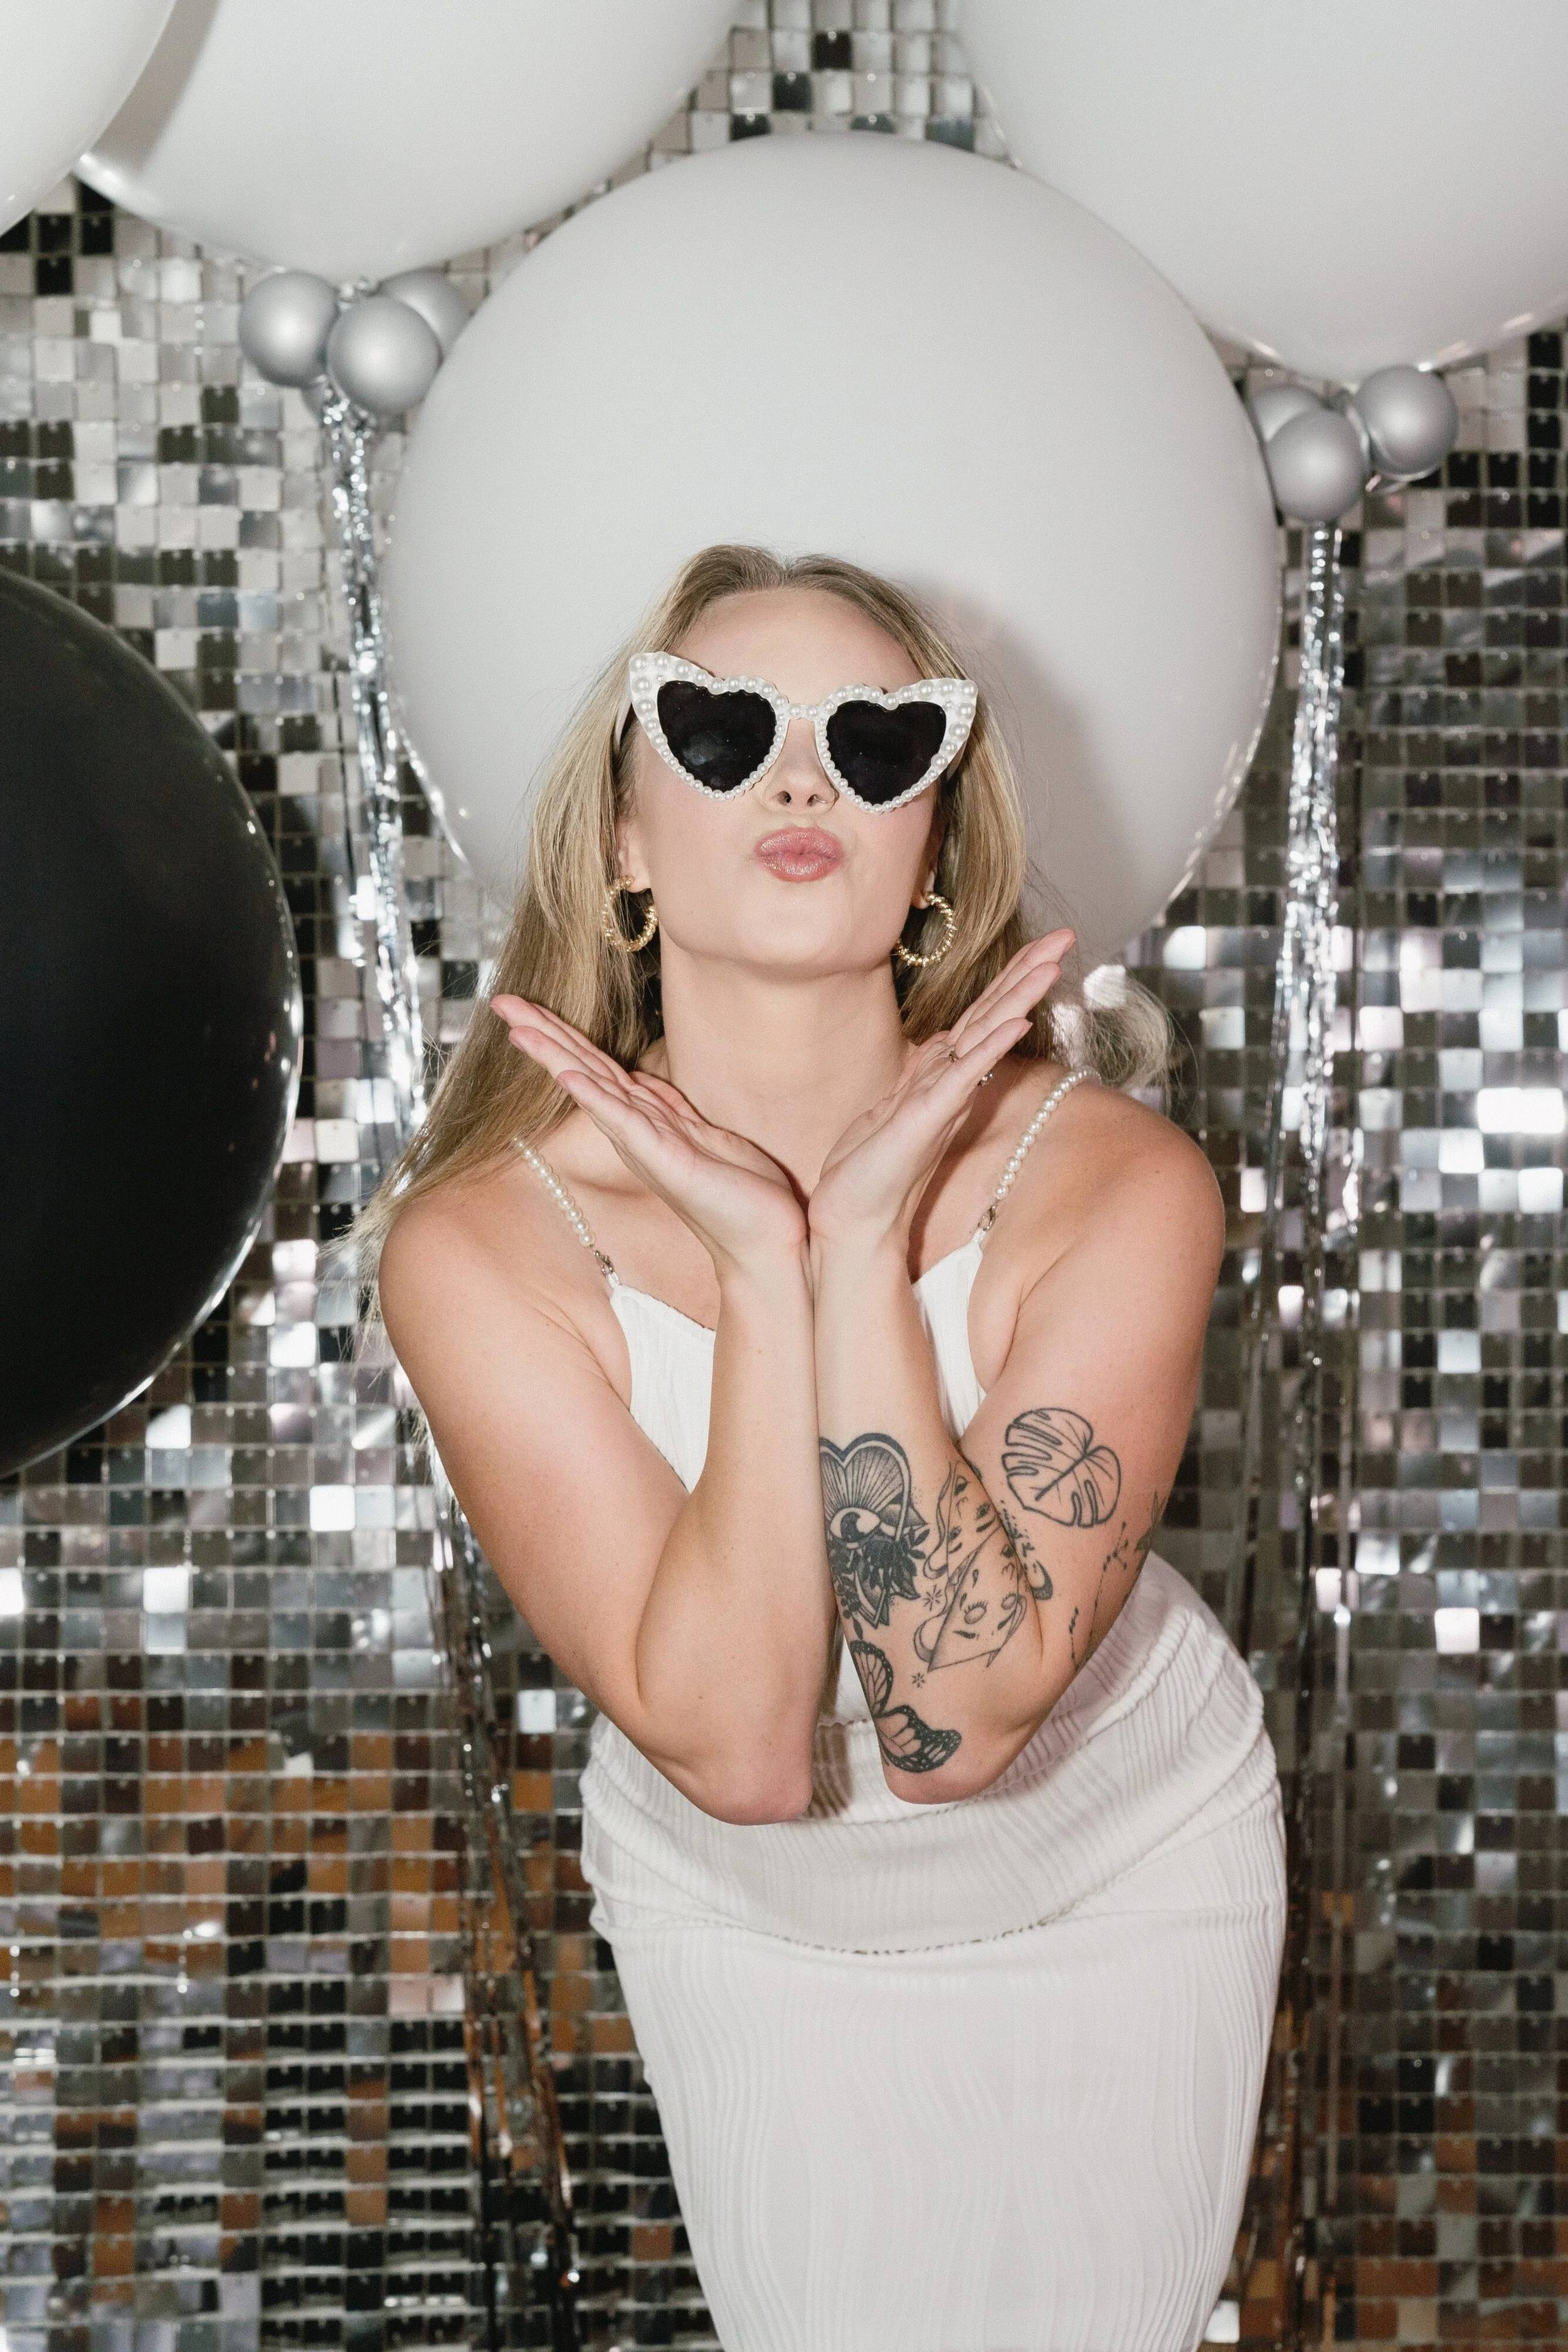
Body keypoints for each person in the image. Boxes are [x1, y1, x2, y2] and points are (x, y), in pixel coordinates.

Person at [373, 544, 1286, 2352]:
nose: (801, 778)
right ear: (622, 836)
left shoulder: (1115, 1180)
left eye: (877, 740)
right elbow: (739, 1749)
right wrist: (764, 1268)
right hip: (759, 1917)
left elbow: (949, 1722)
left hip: (1121, 1868)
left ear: (932, 842)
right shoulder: (482, 1242)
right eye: (718, 731)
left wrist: (860, 1244)